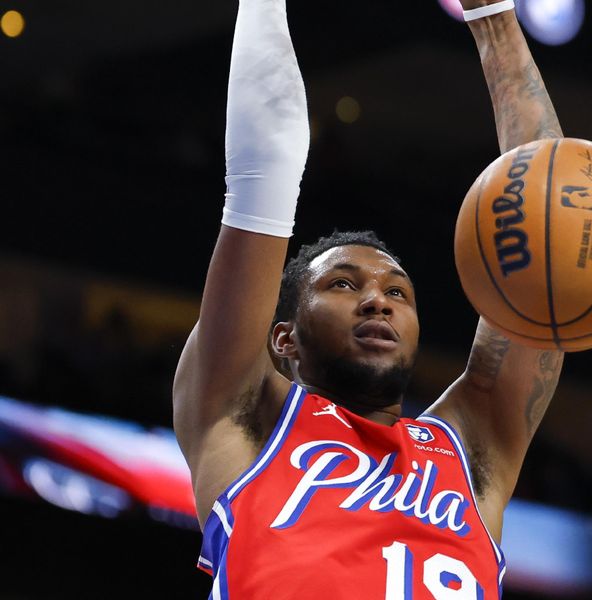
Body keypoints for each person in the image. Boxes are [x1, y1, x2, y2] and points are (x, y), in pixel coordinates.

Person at [173, 0, 565, 597]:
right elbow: (266, 162)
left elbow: (542, 211)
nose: (378, 301)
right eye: (343, 284)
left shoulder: (470, 451)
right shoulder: (247, 417)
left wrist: (494, 13)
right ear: (282, 338)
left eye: (397, 292)